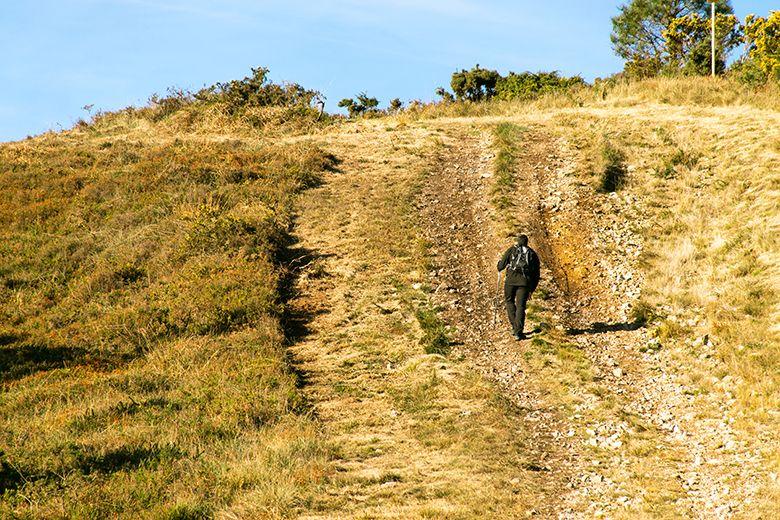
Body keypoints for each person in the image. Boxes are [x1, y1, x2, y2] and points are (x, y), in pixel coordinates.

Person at [497, 234, 540, 340]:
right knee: (521, 306)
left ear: (517, 241)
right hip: (524, 283)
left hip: (510, 281)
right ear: (527, 242)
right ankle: (518, 332)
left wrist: (499, 265)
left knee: (509, 301)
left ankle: (514, 327)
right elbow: (536, 274)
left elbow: (501, 266)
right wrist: (532, 289)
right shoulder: (532, 253)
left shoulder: (512, 250)